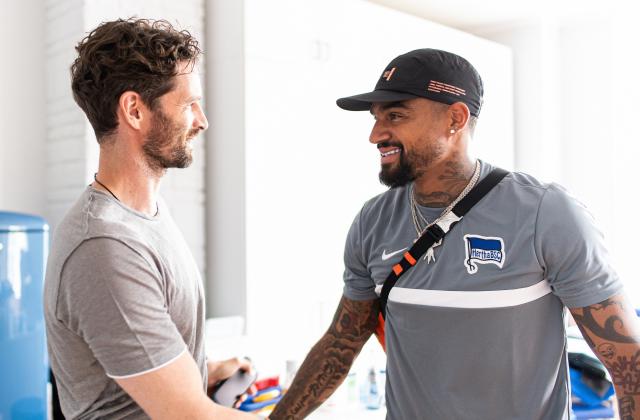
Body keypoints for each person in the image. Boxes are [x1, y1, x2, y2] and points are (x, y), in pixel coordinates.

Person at [270, 48, 640, 419]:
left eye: (395, 115)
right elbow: (342, 342)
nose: (375, 135)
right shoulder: (373, 220)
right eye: (376, 118)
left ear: (455, 118)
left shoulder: (545, 213)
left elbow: (630, 366)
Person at [43, 19, 256, 419]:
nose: (202, 120)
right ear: (135, 110)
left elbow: (129, 380)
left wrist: (202, 371)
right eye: (189, 104)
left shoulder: (145, 218)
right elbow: (188, 416)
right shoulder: (104, 246)